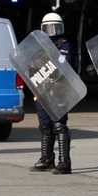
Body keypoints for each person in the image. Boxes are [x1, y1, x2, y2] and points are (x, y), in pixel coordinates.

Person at [29, 12, 74, 175]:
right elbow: (32, 68)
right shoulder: (39, 46)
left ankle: (64, 162)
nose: (52, 31)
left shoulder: (64, 44)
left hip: (59, 92)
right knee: (45, 126)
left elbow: (64, 67)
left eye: (55, 27)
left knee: (59, 126)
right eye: (49, 27)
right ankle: (46, 159)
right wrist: (35, 89)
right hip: (42, 92)